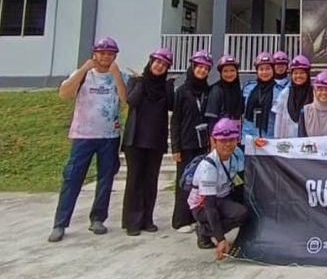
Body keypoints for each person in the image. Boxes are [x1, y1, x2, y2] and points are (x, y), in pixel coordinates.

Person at [48, 37, 128, 243]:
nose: (106, 57)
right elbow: (64, 94)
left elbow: (126, 99)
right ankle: (60, 223)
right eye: (102, 53)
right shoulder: (83, 75)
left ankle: (98, 218)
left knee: (106, 178)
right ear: (95, 54)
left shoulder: (119, 75)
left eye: (110, 53)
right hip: (83, 136)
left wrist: (117, 74)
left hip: (109, 135)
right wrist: (83, 70)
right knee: (72, 178)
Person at [121, 48, 176, 236]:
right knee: (134, 180)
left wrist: (169, 87)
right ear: (151, 62)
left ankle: (147, 219)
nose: (160, 66)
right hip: (135, 140)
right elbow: (132, 101)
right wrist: (142, 81)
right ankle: (132, 222)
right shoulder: (136, 81)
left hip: (155, 140)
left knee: (150, 181)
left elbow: (171, 105)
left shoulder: (165, 86)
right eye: (157, 62)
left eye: (164, 64)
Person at [188, 118, 248, 260]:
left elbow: (239, 183)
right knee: (234, 214)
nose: (227, 144)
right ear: (214, 141)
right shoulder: (208, 166)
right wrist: (221, 239)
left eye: (231, 140)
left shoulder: (236, 155)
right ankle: (205, 231)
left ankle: (209, 230)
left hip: (222, 197)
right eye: (222, 141)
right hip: (202, 205)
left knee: (244, 213)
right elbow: (210, 206)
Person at [170, 50, 213, 233]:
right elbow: (175, 120)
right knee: (185, 182)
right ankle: (180, 220)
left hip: (203, 143)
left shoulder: (208, 91)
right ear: (192, 67)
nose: (202, 71)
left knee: (201, 183)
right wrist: (175, 147)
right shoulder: (182, 91)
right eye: (199, 67)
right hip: (186, 143)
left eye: (205, 68)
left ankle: (196, 217)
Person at [273, 55, 313, 138]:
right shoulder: (285, 93)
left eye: (302, 73)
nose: (298, 76)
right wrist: (277, 140)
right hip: (288, 142)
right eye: (295, 73)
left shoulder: (314, 93)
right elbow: (278, 120)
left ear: (307, 74)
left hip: (309, 141)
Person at [242, 52, 277, 140]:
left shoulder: (280, 90)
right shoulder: (248, 88)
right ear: (257, 71)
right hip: (250, 137)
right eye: (261, 69)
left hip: (270, 138)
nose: (264, 72)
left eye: (268, 69)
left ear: (273, 70)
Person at [204, 55, 244, 129]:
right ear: (220, 73)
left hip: (235, 134)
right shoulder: (216, 90)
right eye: (225, 71)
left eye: (232, 70)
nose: (229, 74)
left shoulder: (237, 90)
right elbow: (211, 119)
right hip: (219, 136)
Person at [298, 71, 327, 137]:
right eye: (320, 89)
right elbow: (301, 138)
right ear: (314, 91)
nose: (324, 93)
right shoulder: (305, 111)